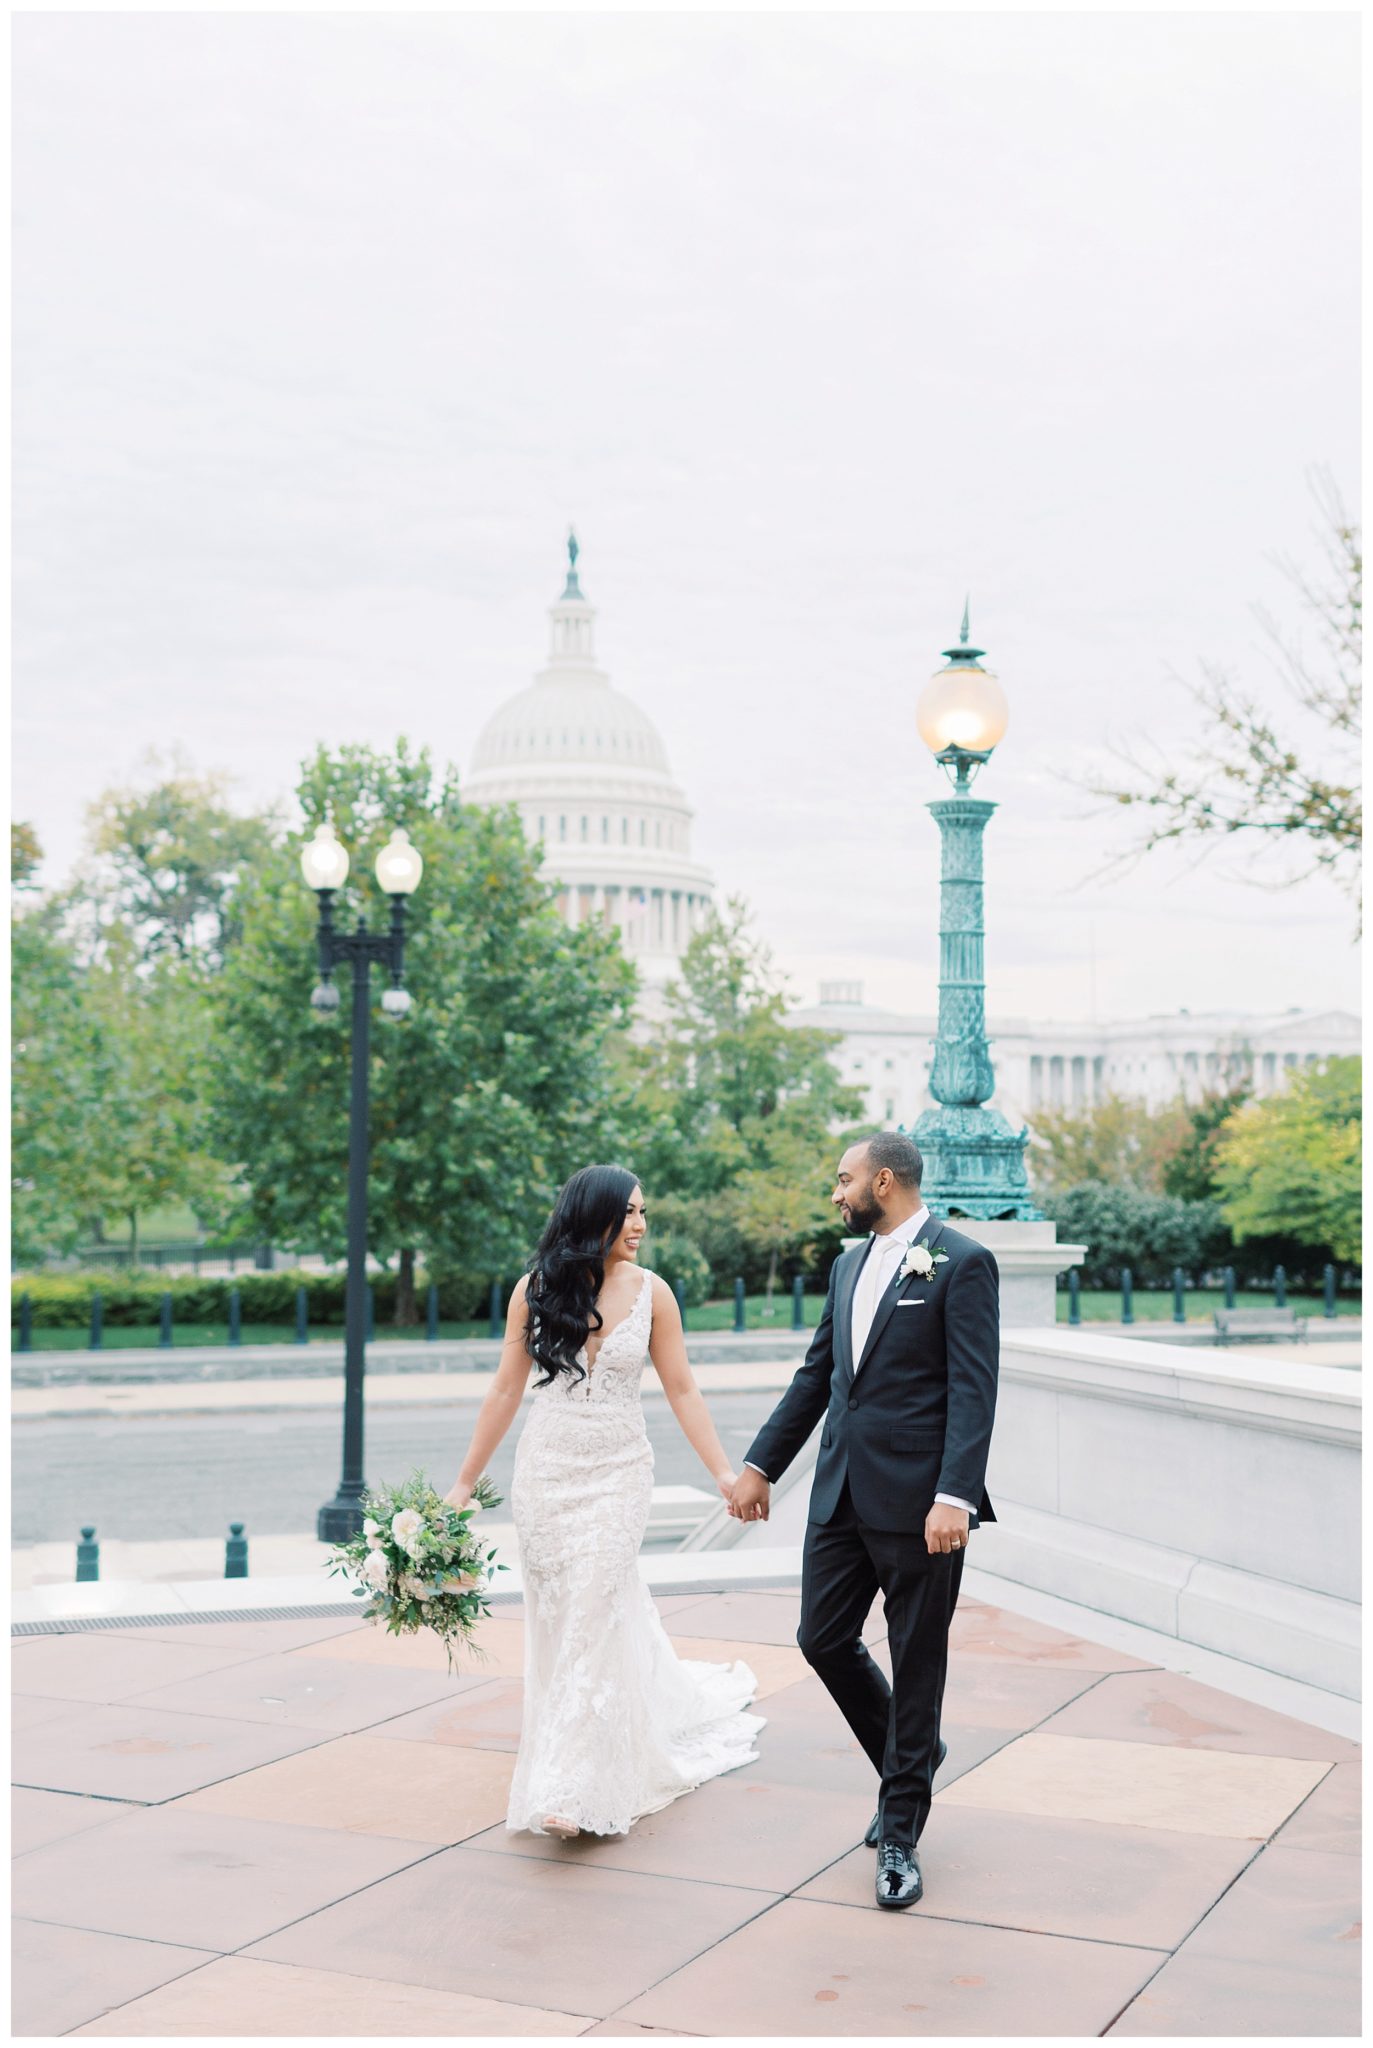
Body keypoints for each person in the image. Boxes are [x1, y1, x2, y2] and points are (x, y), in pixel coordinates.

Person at [445, 1163, 764, 1839]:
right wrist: (464, 1484)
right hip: (547, 1475)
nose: (643, 1226)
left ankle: (570, 1787)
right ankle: (575, 1751)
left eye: (645, 1212)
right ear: (593, 1217)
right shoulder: (534, 1290)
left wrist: (722, 1473)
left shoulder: (654, 1293)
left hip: (619, 1473)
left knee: (591, 1612)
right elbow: (505, 1390)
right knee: (564, 1623)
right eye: (631, 1213)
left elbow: (683, 1390)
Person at [728, 1131, 998, 1910]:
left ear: (883, 1180)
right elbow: (819, 1377)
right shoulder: (847, 1265)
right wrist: (760, 1466)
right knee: (821, 1638)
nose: (834, 1195)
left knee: (916, 1660)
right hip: (840, 1494)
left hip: (921, 1505)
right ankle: (911, 1753)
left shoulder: (962, 1261)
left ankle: (901, 1834)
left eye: (842, 1181)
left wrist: (956, 1493)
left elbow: (974, 1391)